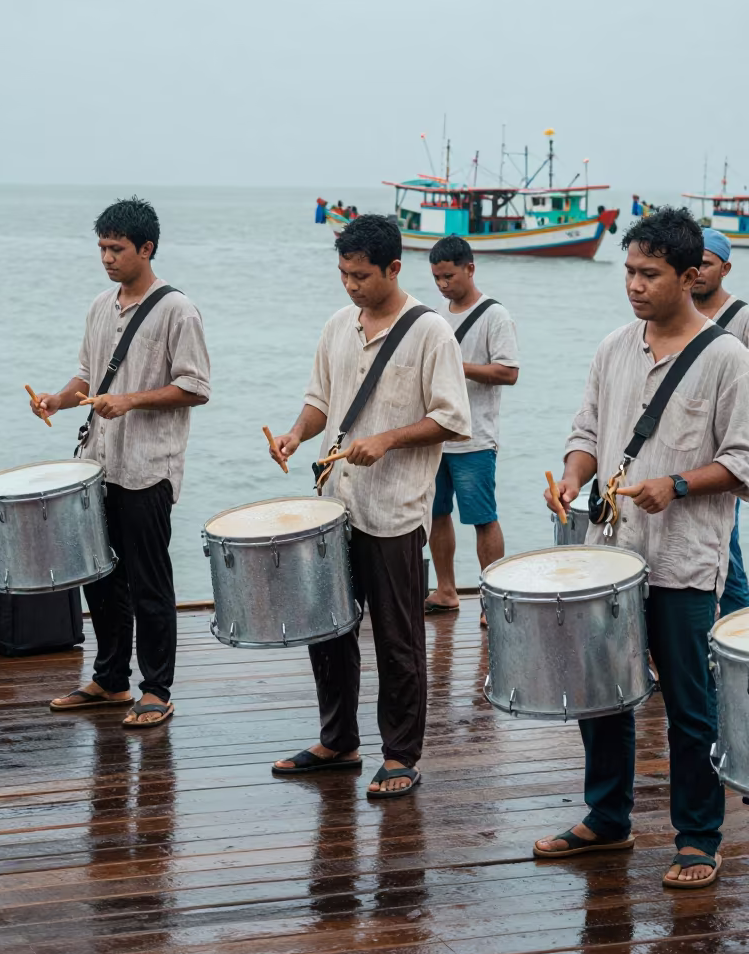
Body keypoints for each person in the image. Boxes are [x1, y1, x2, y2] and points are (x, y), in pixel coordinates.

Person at [538, 208, 749, 888]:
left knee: (690, 707)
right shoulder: (612, 348)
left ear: (690, 277)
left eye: (649, 274)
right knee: (600, 694)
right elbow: (587, 428)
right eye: (629, 270)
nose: (632, 284)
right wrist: (572, 477)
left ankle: (698, 837)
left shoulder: (728, 359)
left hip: (685, 561)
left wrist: (678, 485)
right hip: (609, 553)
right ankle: (608, 819)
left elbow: (744, 460)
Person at [268, 214, 470, 797]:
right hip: (337, 506)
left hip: (395, 510)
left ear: (394, 269)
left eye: (361, 275)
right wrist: (294, 435)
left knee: (397, 636)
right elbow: (320, 401)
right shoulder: (337, 325)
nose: (351, 285)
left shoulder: (432, 332)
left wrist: (388, 439)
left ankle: (402, 754)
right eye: (343, 274)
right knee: (328, 630)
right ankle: (338, 741)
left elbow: (453, 419)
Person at [31, 198, 210, 728]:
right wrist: (58, 400)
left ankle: (156, 688)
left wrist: (131, 400)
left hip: (148, 466)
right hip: (98, 465)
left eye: (117, 249)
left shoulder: (179, 310)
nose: (107, 258)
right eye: (102, 248)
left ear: (147, 249)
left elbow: (196, 387)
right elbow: (88, 375)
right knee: (100, 578)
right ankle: (110, 680)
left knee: (149, 580)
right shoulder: (98, 307)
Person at [424, 236, 519, 618]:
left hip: (474, 438)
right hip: (434, 436)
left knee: (483, 518)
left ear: (470, 268)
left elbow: (508, 372)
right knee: (435, 514)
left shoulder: (495, 315)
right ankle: (445, 590)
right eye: (436, 278)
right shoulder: (434, 315)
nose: (444, 284)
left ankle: (492, 600)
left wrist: (455, 365)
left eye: (449, 276)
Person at [692, 227, 749, 616]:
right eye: (692, 264)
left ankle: (737, 636)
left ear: (725, 268)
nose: (697, 272)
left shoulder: (742, 318)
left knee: (724, 548)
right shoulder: (677, 314)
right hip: (686, 446)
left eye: (707, 265)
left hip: (727, 451)